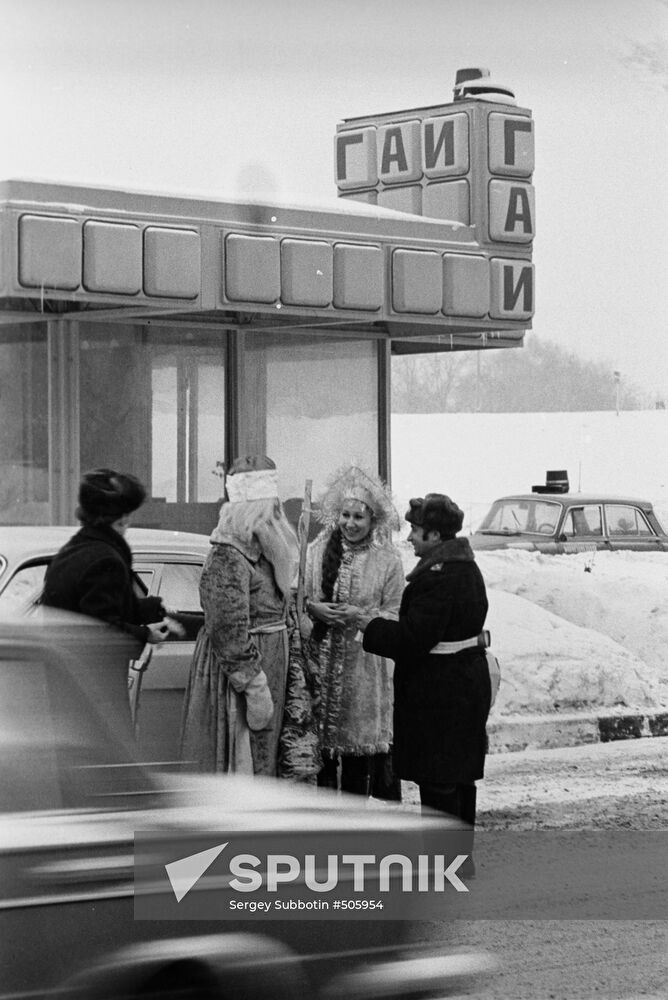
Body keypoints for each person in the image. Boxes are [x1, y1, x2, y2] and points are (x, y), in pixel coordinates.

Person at [358, 493, 492, 875]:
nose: (411, 538)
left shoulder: (438, 578)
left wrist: (369, 625)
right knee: (460, 776)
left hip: (440, 691)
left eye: (416, 531)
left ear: (434, 534)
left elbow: (415, 639)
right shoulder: (465, 568)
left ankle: (443, 868)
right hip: (465, 683)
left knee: (439, 781)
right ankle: (459, 863)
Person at [180, 455, 300, 776]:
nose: (278, 513)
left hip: (270, 663)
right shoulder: (228, 553)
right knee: (243, 756)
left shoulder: (266, 550)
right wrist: (253, 684)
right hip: (239, 680)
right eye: (272, 506)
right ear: (258, 509)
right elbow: (226, 626)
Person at [40, 468, 172, 731]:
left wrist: (149, 608)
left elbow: (88, 610)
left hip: (68, 691)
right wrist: (146, 634)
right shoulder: (106, 560)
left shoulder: (71, 552)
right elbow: (101, 632)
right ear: (122, 519)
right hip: (96, 697)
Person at [304, 464, 405, 798]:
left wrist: (360, 616)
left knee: (356, 761)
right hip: (318, 665)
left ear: (373, 520)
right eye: (345, 515)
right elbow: (298, 598)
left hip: (364, 671)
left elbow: (395, 614)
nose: (350, 523)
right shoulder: (317, 550)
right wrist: (313, 608)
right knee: (319, 760)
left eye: (359, 517)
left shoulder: (387, 560)